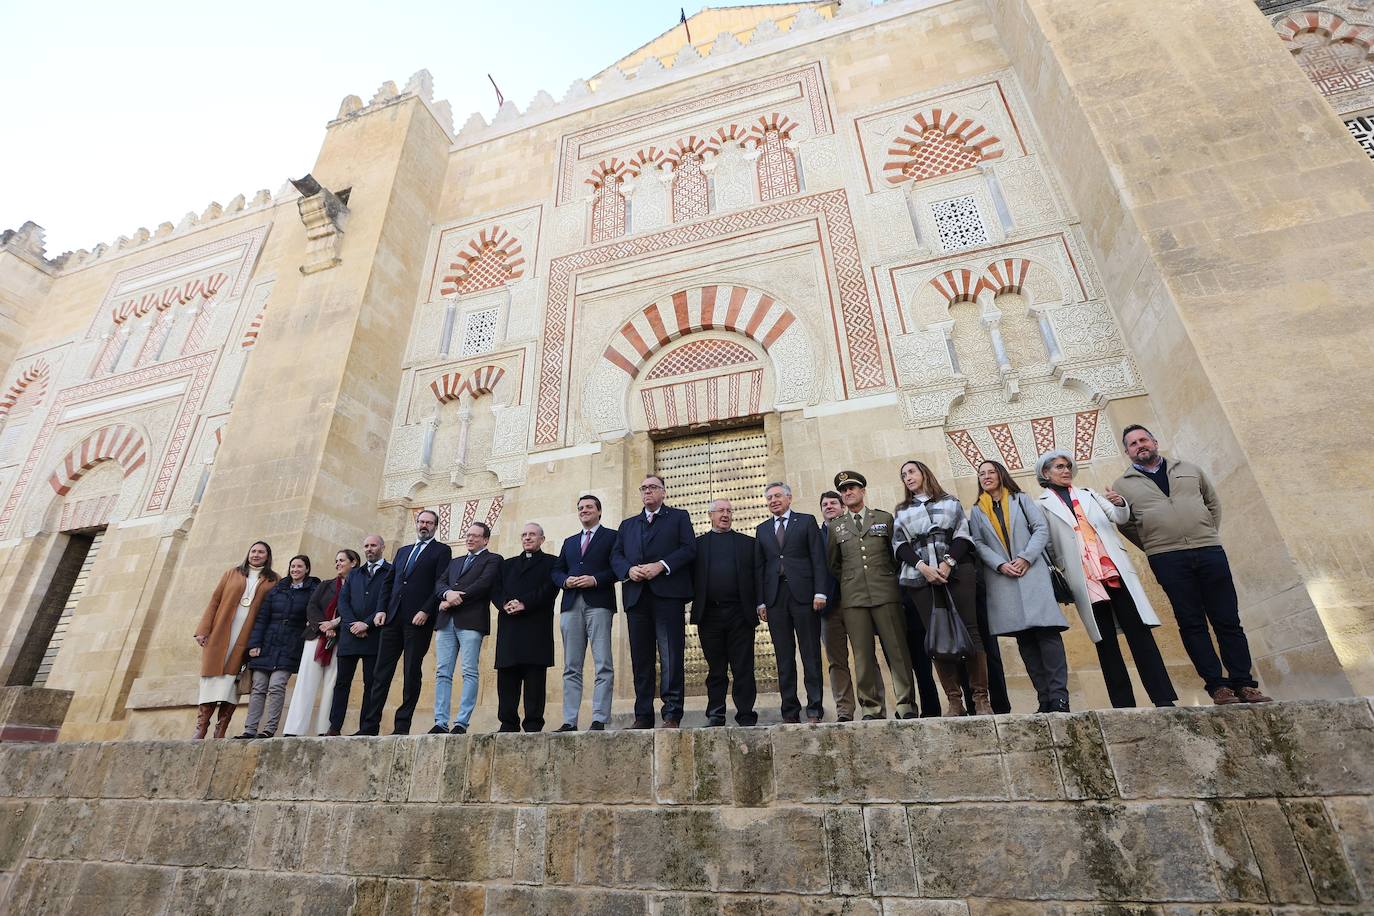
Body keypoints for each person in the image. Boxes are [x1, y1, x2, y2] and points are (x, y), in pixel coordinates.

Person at [1114, 426, 1273, 705]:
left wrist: (1206, 533)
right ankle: (1217, 686)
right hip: (1167, 558)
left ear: (1154, 442)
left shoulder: (1189, 469)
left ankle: (1245, 683)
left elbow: (1212, 503)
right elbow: (1125, 524)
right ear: (1127, 452)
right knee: (1191, 623)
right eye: (1132, 444)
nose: (1140, 445)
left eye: (1143, 440)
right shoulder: (1122, 485)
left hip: (1209, 550)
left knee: (1227, 620)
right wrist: (1154, 544)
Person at [1035, 450, 1177, 708]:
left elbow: (1118, 517)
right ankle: (1123, 704)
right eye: (1058, 467)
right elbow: (1047, 545)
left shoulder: (1089, 493)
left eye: (1067, 466)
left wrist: (1120, 503)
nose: (1066, 470)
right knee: (1105, 641)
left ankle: (1163, 697)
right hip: (1084, 578)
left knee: (1139, 633)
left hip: (1113, 570)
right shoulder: (1041, 504)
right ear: (1046, 474)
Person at [968, 460, 1071, 712]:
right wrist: (1000, 564)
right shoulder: (977, 510)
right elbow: (978, 544)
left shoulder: (1021, 499)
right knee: (1025, 640)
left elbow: (1040, 529)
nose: (986, 476)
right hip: (1004, 579)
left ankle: (1059, 697)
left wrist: (1026, 557)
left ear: (1001, 475)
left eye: (991, 472)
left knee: (1047, 634)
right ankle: (1044, 698)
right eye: (982, 474)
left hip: (1032, 572)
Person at [892, 459, 992, 716]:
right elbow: (899, 544)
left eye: (911, 472)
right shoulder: (902, 510)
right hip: (920, 576)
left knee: (971, 630)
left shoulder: (950, 502)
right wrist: (923, 567)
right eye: (904, 475)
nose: (908, 477)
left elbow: (962, 534)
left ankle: (980, 698)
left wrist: (948, 563)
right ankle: (954, 700)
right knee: (937, 634)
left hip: (956, 571)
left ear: (924, 473)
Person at [825, 471, 918, 720]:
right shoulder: (836, 527)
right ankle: (871, 707)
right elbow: (834, 563)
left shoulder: (884, 519)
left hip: (885, 592)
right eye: (844, 490)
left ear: (862, 490)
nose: (848, 493)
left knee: (897, 650)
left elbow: (894, 555)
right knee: (862, 655)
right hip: (854, 598)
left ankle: (906, 705)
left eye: (852, 488)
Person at [611, 474, 697, 728]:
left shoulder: (679, 517)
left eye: (653, 487)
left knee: (671, 655)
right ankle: (643, 715)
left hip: (668, 596)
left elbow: (689, 549)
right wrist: (628, 570)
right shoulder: (628, 525)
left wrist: (662, 565)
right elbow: (616, 555)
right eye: (644, 488)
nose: (647, 491)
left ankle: (672, 714)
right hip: (637, 598)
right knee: (641, 659)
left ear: (663, 492)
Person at [358, 510, 452, 736]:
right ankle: (369, 726)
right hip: (392, 619)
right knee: (380, 673)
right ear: (416, 524)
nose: (424, 526)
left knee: (411, 672)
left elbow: (440, 583)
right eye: (421, 522)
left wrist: (426, 611)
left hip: (417, 620)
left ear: (435, 526)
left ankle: (402, 726)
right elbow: (389, 583)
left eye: (429, 523)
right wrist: (381, 609)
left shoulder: (441, 551)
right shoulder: (403, 551)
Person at [755, 482, 827, 724]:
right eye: (769, 498)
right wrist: (761, 602)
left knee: (810, 653)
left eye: (777, 496)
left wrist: (820, 593)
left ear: (789, 498)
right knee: (783, 657)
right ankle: (789, 711)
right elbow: (760, 567)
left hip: (805, 596)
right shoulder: (762, 529)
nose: (773, 500)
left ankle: (815, 709)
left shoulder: (806, 521)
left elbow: (818, 558)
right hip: (775, 599)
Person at [193, 541, 280, 739]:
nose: (256, 555)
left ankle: (220, 729)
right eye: (253, 551)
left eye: (261, 552)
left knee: (232, 682)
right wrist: (203, 630)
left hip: (247, 637)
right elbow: (215, 600)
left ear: (268, 556)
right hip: (221, 632)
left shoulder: (273, 580)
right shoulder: (232, 574)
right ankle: (201, 727)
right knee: (210, 678)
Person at [552, 495, 618, 732]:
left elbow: (617, 568)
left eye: (589, 507)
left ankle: (599, 718)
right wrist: (565, 581)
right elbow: (556, 571)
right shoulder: (569, 542)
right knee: (571, 666)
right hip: (571, 605)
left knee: (603, 663)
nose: (584, 510)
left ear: (599, 512)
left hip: (598, 603)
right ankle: (570, 720)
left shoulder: (611, 536)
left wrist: (595, 579)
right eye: (580, 508)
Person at [692, 498, 759, 726]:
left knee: (743, 667)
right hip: (709, 615)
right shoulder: (698, 545)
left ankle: (746, 714)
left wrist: (760, 604)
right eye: (720, 510)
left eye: (729, 511)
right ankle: (716, 714)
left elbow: (757, 578)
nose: (725, 514)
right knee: (716, 669)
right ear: (710, 515)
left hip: (740, 614)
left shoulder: (747, 543)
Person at [238, 555, 319, 737]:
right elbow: (262, 619)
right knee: (258, 687)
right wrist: (255, 644)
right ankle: (249, 730)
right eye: (292, 566)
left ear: (307, 569)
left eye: (299, 566)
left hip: (290, 645)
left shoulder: (312, 590)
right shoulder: (277, 589)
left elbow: (313, 615)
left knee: (276, 686)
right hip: (267, 644)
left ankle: (269, 729)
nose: (295, 570)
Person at [432, 523, 501, 734]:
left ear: (485, 540)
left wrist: (454, 598)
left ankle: (461, 722)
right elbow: (440, 584)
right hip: (446, 622)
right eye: (468, 535)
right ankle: (440, 721)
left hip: (471, 621)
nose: (470, 539)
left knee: (469, 671)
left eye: (475, 536)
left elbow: (483, 584)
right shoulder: (455, 562)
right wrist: (446, 595)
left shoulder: (493, 559)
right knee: (443, 672)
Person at [490, 523, 559, 733]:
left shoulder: (552, 563)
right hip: (510, 627)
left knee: (535, 679)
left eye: (532, 535)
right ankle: (508, 723)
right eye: (524, 535)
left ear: (542, 539)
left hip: (535, 628)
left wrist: (524, 603)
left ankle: (533, 724)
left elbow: (549, 589)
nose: (527, 538)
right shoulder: (507, 564)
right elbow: (495, 588)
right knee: (507, 678)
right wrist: (505, 604)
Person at [282, 549, 357, 737]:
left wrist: (336, 625)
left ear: (353, 562)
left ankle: (325, 729)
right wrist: (323, 626)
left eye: (342, 560)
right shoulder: (325, 585)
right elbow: (312, 606)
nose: (338, 564)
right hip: (316, 636)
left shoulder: (358, 587)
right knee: (305, 681)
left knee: (332, 684)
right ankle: (294, 729)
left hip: (340, 639)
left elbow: (356, 610)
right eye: (336, 560)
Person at [329, 535, 393, 735]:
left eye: (373, 545)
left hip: (374, 636)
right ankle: (334, 726)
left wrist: (366, 624)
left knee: (371, 684)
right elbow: (343, 602)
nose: (369, 549)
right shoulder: (355, 574)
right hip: (350, 636)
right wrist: (353, 625)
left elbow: (389, 601)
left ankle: (367, 728)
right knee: (341, 683)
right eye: (366, 546)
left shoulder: (391, 572)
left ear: (382, 547)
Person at [816, 491, 868, 721]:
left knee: (865, 656)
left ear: (842, 507)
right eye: (825, 504)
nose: (829, 506)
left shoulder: (854, 529)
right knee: (836, 662)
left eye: (833, 503)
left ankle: (872, 707)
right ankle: (844, 710)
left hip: (855, 602)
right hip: (828, 608)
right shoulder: (814, 535)